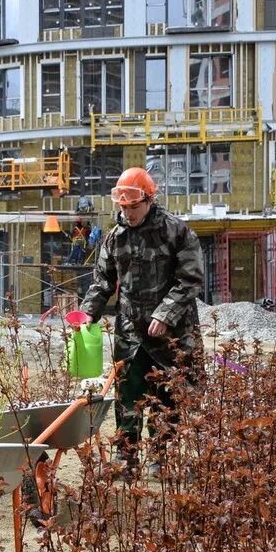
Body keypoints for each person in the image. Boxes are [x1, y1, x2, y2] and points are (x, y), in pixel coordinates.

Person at [75, 166, 204, 463]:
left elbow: (191, 279)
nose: (129, 213)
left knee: (167, 395)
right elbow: (102, 282)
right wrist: (87, 315)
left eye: (134, 207)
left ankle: (160, 455)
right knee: (128, 393)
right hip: (131, 330)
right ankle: (127, 455)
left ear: (149, 200)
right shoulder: (115, 238)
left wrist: (166, 313)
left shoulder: (176, 231)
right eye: (124, 207)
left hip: (171, 333)